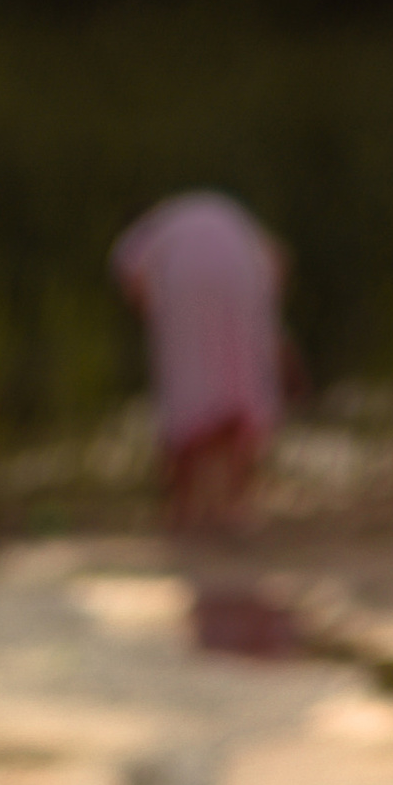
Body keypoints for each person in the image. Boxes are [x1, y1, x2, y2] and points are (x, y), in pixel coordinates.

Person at [112, 189, 290, 535]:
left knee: (185, 393)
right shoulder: (225, 215)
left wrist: (159, 317)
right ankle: (236, 505)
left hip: (186, 285)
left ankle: (184, 508)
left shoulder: (146, 233)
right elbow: (277, 260)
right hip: (244, 274)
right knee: (242, 384)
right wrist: (266, 320)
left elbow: (132, 279)